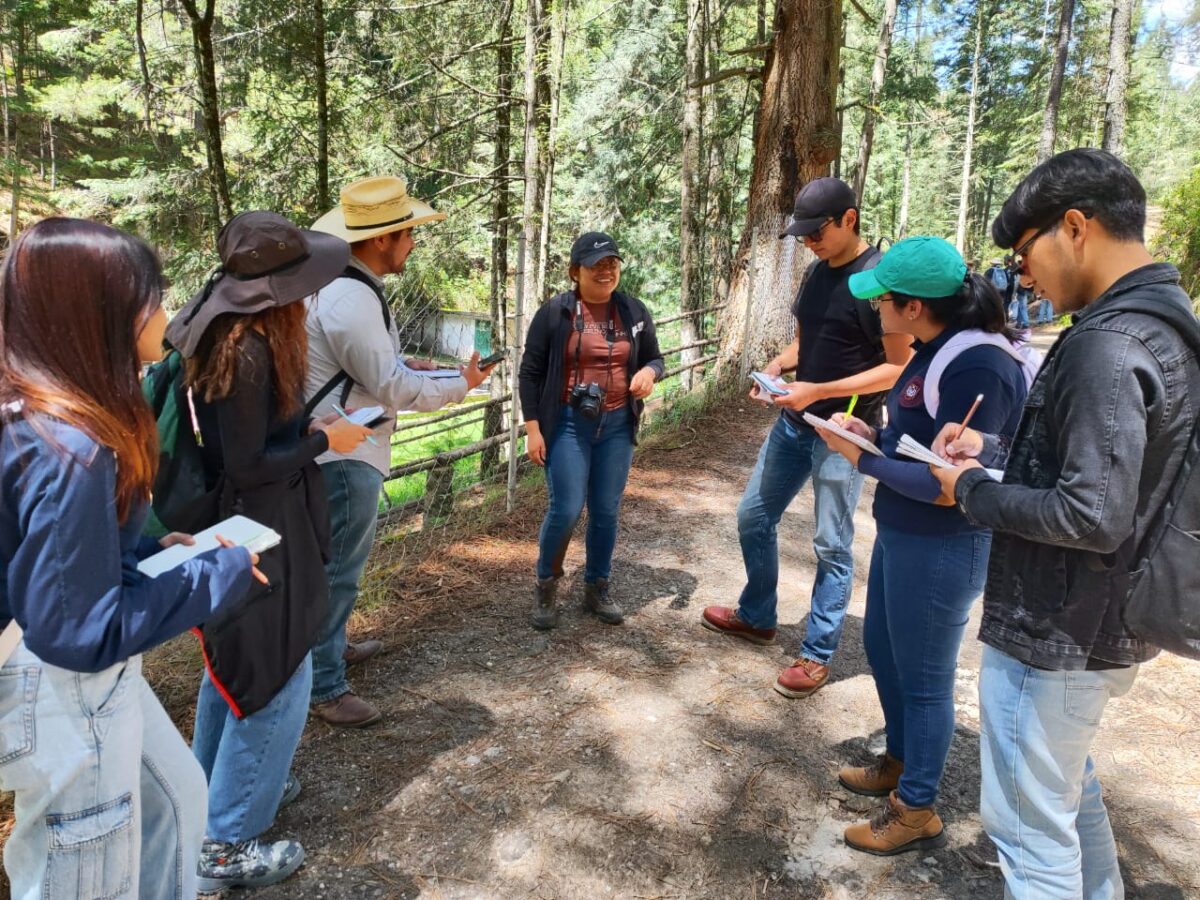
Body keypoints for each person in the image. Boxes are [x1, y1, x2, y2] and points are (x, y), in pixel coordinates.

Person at [930, 148, 1200, 898]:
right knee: (1066, 794)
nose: (1024, 277)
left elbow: (1090, 512)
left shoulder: (1109, 344)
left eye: (1024, 255)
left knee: (1028, 834)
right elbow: (1109, 462)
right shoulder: (1160, 322)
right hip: (1103, 625)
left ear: (1074, 227)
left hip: (1058, 632)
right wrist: (994, 447)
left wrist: (973, 488)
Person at [0, 218, 258, 899]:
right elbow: (78, 631)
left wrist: (143, 550)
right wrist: (215, 576)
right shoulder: (73, 445)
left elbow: (42, 549)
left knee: (175, 802)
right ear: (102, 312)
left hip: (77, 675)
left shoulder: (33, 414)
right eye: (152, 296)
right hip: (61, 687)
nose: (166, 315)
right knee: (83, 870)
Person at [165, 211, 373, 892]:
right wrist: (325, 442)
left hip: (233, 525)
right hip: (259, 529)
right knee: (279, 678)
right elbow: (252, 463)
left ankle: (215, 799)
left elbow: (238, 444)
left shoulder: (218, 332)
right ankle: (226, 842)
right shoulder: (251, 350)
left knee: (233, 670)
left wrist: (303, 425)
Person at [811, 236, 1036, 856]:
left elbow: (948, 488)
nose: (874, 308)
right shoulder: (933, 350)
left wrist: (860, 457)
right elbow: (917, 439)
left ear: (914, 307)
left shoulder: (977, 364)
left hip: (943, 541)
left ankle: (916, 807)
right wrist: (872, 432)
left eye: (883, 299)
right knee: (884, 649)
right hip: (902, 531)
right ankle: (901, 759)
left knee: (926, 676)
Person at [701, 177, 913, 698]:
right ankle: (757, 615)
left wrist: (819, 389)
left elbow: (898, 367)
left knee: (831, 544)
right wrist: (778, 365)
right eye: (803, 233)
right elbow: (810, 339)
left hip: (844, 432)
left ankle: (817, 654)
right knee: (753, 514)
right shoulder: (817, 273)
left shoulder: (878, 279)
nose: (809, 240)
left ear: (850, 219)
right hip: (795, 422)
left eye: (817, 230)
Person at [304, 175, 493, 728]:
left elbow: (369, 371)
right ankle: (324, 685)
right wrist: (459, 386)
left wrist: (422, 368)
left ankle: (330, 652)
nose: (413, 243)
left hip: (344, 444)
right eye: (408, 233)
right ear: (383, 238)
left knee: (339, 564)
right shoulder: (351, 299)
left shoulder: (343, 287)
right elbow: (392, 389)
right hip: (344, 455)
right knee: (339, 569)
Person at [518, 231, 664, 629]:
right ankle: (547, 584)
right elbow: (530, 373)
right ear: (574, 272)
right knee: (566, 508)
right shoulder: (555, 313)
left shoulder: (633, 312)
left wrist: (649, 373)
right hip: (567, 423)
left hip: (618, 423)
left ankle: (597, 585)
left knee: (605, 509)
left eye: (612, 264)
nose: (606, 271)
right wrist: (533, 429)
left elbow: (655, 358)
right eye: (596, 265)